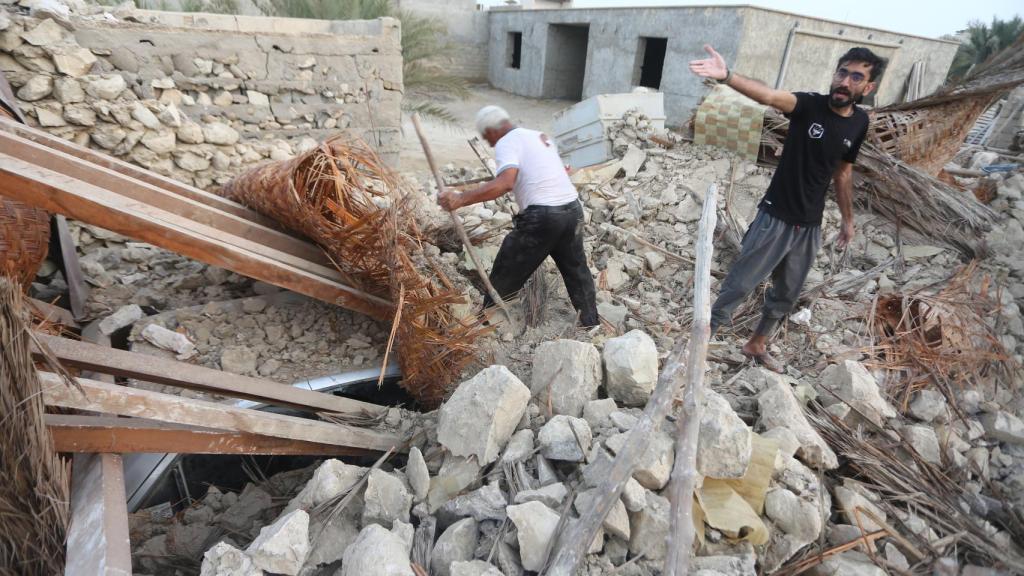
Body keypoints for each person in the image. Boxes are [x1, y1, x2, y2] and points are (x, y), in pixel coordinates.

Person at [689, 44, 884, 372]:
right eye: (841, 72)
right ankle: (700, 343)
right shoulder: (808, 106)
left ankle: (757, 344)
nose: (844, 81)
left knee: (787, 294)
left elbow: (843, 171)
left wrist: (848, 221)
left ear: (868, 87)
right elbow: (768, 96)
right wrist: (728, 76)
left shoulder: (859, 123)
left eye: (855, 77)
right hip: (775, 217)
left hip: (809, 226)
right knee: (739, 285)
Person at [437, 105, 599, 327]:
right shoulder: (539, 136)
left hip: (543, 217)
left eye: (487, 138)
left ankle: (485, 323)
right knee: (576, 269)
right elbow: (560, 171)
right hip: (572, 210)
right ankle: (592, 324)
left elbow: (505, 183)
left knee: (508, 266)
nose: (490, 143)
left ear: (492, 131)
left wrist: (460, 199)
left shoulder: (507, 141)